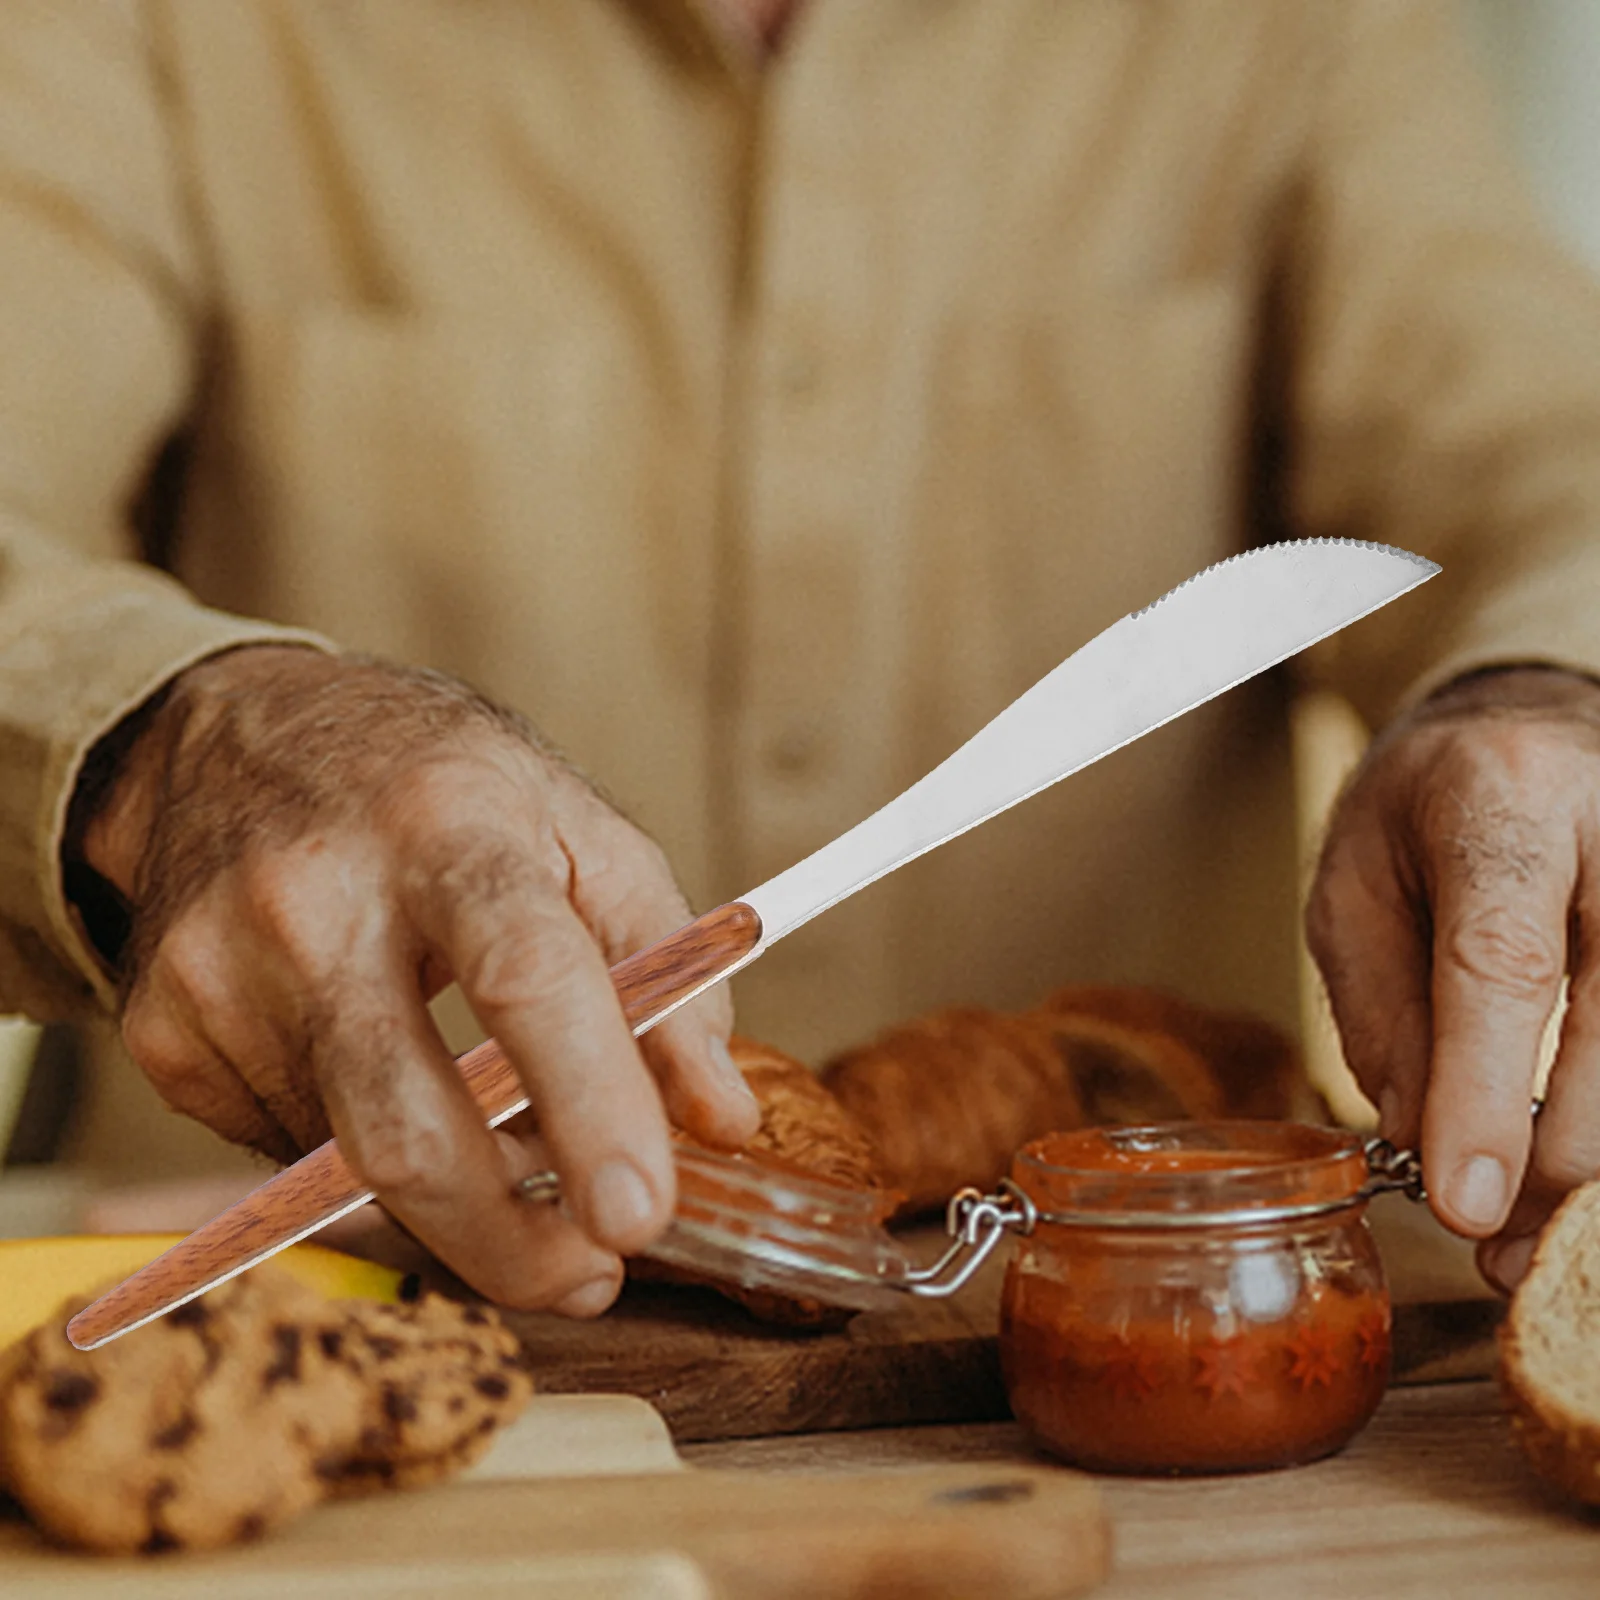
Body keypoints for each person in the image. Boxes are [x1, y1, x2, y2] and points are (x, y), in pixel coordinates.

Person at [2, 0, 1598, 1315]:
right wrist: (175, 743)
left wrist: (1542, 686)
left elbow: (1546, 458)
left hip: (1158, 1372)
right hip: (321, 1313)